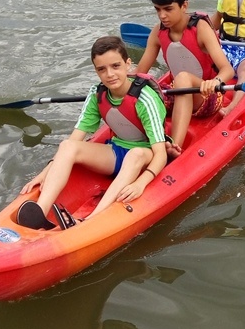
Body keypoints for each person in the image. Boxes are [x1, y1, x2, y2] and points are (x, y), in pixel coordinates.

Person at [17, 36, 167, 230]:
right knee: (67, 146)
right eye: (102, 69)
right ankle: (40, 211)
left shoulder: (145, 98)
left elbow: (161, 154)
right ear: (96, 71)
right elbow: (74, 140)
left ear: (128, 64)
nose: (109, 74)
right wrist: (45, 173)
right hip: (117, 152)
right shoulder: (97, 95)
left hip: (146, 155)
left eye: (115, 66)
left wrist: (141, 183)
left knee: (136, 154)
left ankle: (91, 220)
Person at [135, 0, 234, 157]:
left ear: (184, 6)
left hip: (208, 97)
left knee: (182, 78)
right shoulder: (158, 32)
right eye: (157, 9)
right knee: (145, 88)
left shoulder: (201, 28)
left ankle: (174, 147)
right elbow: (140, 72)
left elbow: (227, 69)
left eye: (168, 9)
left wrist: (215, 81)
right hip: (176, 93)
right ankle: (139, 140)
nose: (162, 15)